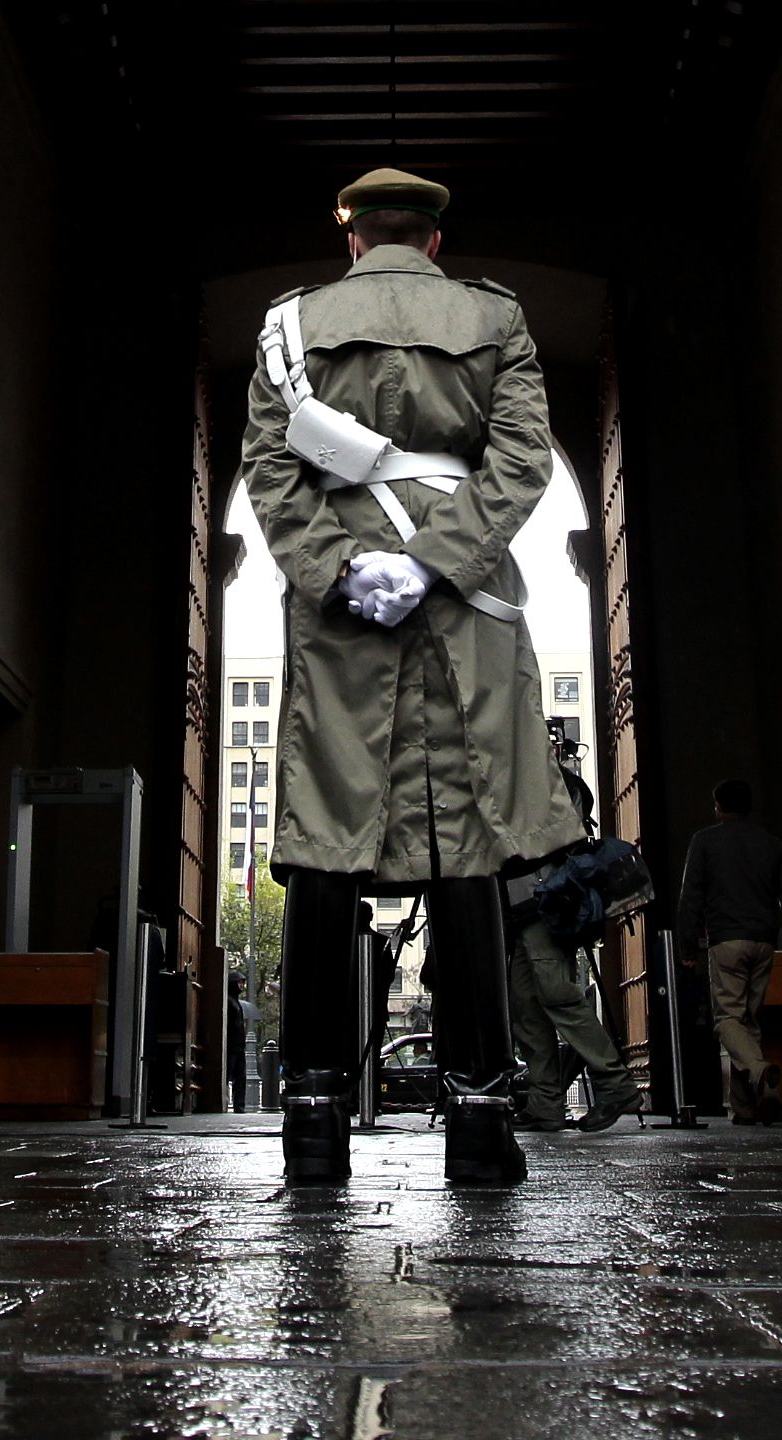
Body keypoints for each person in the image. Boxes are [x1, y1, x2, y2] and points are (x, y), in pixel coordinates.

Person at [244, 165, 578, 1189]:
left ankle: (311, 1116)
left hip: (342, 616)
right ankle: (480, 1113)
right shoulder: (494, 317)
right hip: (464, 605)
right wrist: (436, 560)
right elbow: (520, 460)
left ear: (352, 239)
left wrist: (342, 571)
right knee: (467, 834)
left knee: (326, 833)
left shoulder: (290, 324)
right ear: (434, 240)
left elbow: (270, 467)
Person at [507, 719, 645, 1134]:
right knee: (526, 1007)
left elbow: (550, 838)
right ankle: (544, 1103)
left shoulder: (556, 786)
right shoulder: (531, 783)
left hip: (544, 903)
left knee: (559, 996)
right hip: (521, 908)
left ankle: (615, 1084)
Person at [678, 777, 782, 1122]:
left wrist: (688, 944)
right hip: (764, 939)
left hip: (726, 938)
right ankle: (744, 1108)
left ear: (718, 807)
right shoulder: (771, 844)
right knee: (749, 1022)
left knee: (726, 1018)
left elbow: (691, 896)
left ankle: (758, 1069)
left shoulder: (705, 841)